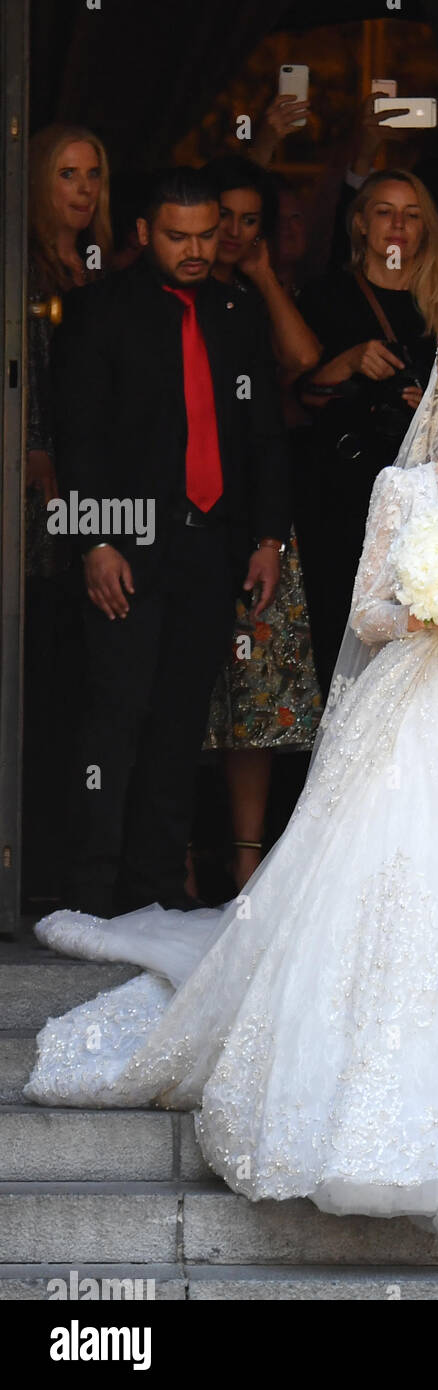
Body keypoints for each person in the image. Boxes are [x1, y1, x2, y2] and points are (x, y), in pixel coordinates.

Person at [24, 310, 438, 1231]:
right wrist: (425, 615)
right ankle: (373, 1106)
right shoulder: (401, 488)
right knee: (400, 883)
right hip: (420, 702)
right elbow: (365, 612)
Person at [52, 166, 291, 918]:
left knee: (181, 720)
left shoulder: (235, 308)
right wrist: (94, 541)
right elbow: (77, 435)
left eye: (206, 235)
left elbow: (264, 434)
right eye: (178, 236)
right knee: (115, 712)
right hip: (123, 541)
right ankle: (91, 891)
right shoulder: (99, 310)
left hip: (210, 546)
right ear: (143, 234)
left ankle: (155, 888)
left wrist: (267, 536)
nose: (196, 249)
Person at [197, 156, 324, 891]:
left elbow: (304, 358)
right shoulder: (160, 295)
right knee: (183, 688)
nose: (236, 234)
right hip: (184, 515)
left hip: (259, 517)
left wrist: (266, 275)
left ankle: (246, 859)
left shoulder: (257, 300)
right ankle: (177, 851)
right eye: (225, 219)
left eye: (251, 222)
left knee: (255, 690)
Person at [295, 168, 438, 695]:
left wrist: (431, 409)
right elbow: (296, 397)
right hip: (338, 492)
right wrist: (345, 362)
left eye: (413, 215)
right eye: (386, 212)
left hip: (423, 497)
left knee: (418, 637)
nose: (399, 225)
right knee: (338, 626)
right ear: (361, 224)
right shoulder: (324, 297)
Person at [23, 124, 113, 907]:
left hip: (96, 493)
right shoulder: (21, 268)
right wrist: (33, 446)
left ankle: (65, 871)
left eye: (92, 175)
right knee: (34, 672)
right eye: (66, 174)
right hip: (35, 508)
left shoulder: (100, 272)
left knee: (77, 684)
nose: (82, 190)